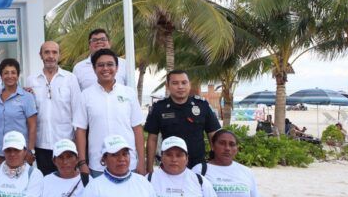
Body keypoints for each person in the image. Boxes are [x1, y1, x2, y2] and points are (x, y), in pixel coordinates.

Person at [74, 48, 145, 176]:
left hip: (128, 163)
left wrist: (141, 161)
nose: (105, 68)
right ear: (94, 69)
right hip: (98, 165)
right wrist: (82, 162)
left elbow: (137, 128)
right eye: (100, 65)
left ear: (117, 68)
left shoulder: (129, 93)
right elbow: (80, 130)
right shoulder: (86, 95)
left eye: (110, 64)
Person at [144, 70, 221, 173]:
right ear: (167, 86)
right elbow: (152, 139)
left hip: (198, 166)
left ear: (189, 85)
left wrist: (216, 163)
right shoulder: (159, 108)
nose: (180, 87)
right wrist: (149, 169)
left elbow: (214, 135)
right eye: (175, 83)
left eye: (184, 82)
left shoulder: (202, 106)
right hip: (170, 167)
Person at [26, 41, 82, 176]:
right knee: (45, 184)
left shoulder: (70, 79)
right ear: (40, 55)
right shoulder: (31, 80)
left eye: (54, 52)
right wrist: (30, 148)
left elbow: (78, 114)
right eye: (46, 52)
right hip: (41, 145)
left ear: (59, 55)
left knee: (66, 184)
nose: (50, 56)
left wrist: (79, 148)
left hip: (66, 143)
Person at [0, 58, 37, 165]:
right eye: (6, 73)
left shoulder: (27, 97)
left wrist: (30, 150)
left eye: (13, 72)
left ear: (18, 75)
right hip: (0, 151)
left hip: (20, 152)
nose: (10, 76)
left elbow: (33, 126)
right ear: (1, 76)